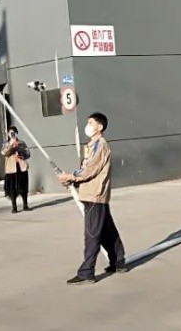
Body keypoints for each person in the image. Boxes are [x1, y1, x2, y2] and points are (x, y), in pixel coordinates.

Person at [59, 113, 127, 285]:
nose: (87, 126)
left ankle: (87, 272)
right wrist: (73, 180)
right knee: (106, 230)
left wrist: (71, 176)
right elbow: (86, 168)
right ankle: (118, 261)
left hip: (95, 195)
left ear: (100, 127)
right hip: (93, 193)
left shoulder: (100, 145)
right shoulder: (92, 145)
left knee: (92, 234)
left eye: (91, 123)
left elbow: (90, 169)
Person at [1, 126, 30, 213]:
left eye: (14, 133)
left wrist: (21, 152)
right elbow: (4, 153)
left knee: (24, 187)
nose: (12, 135)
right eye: (11, 133)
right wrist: (11, 145)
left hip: (21, 167)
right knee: (12, 189)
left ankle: (25, 205)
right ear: (8, 134)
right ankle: (14, 207)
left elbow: (28, 154)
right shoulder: (6, 143)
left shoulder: (22, 143)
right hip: (11, 169)